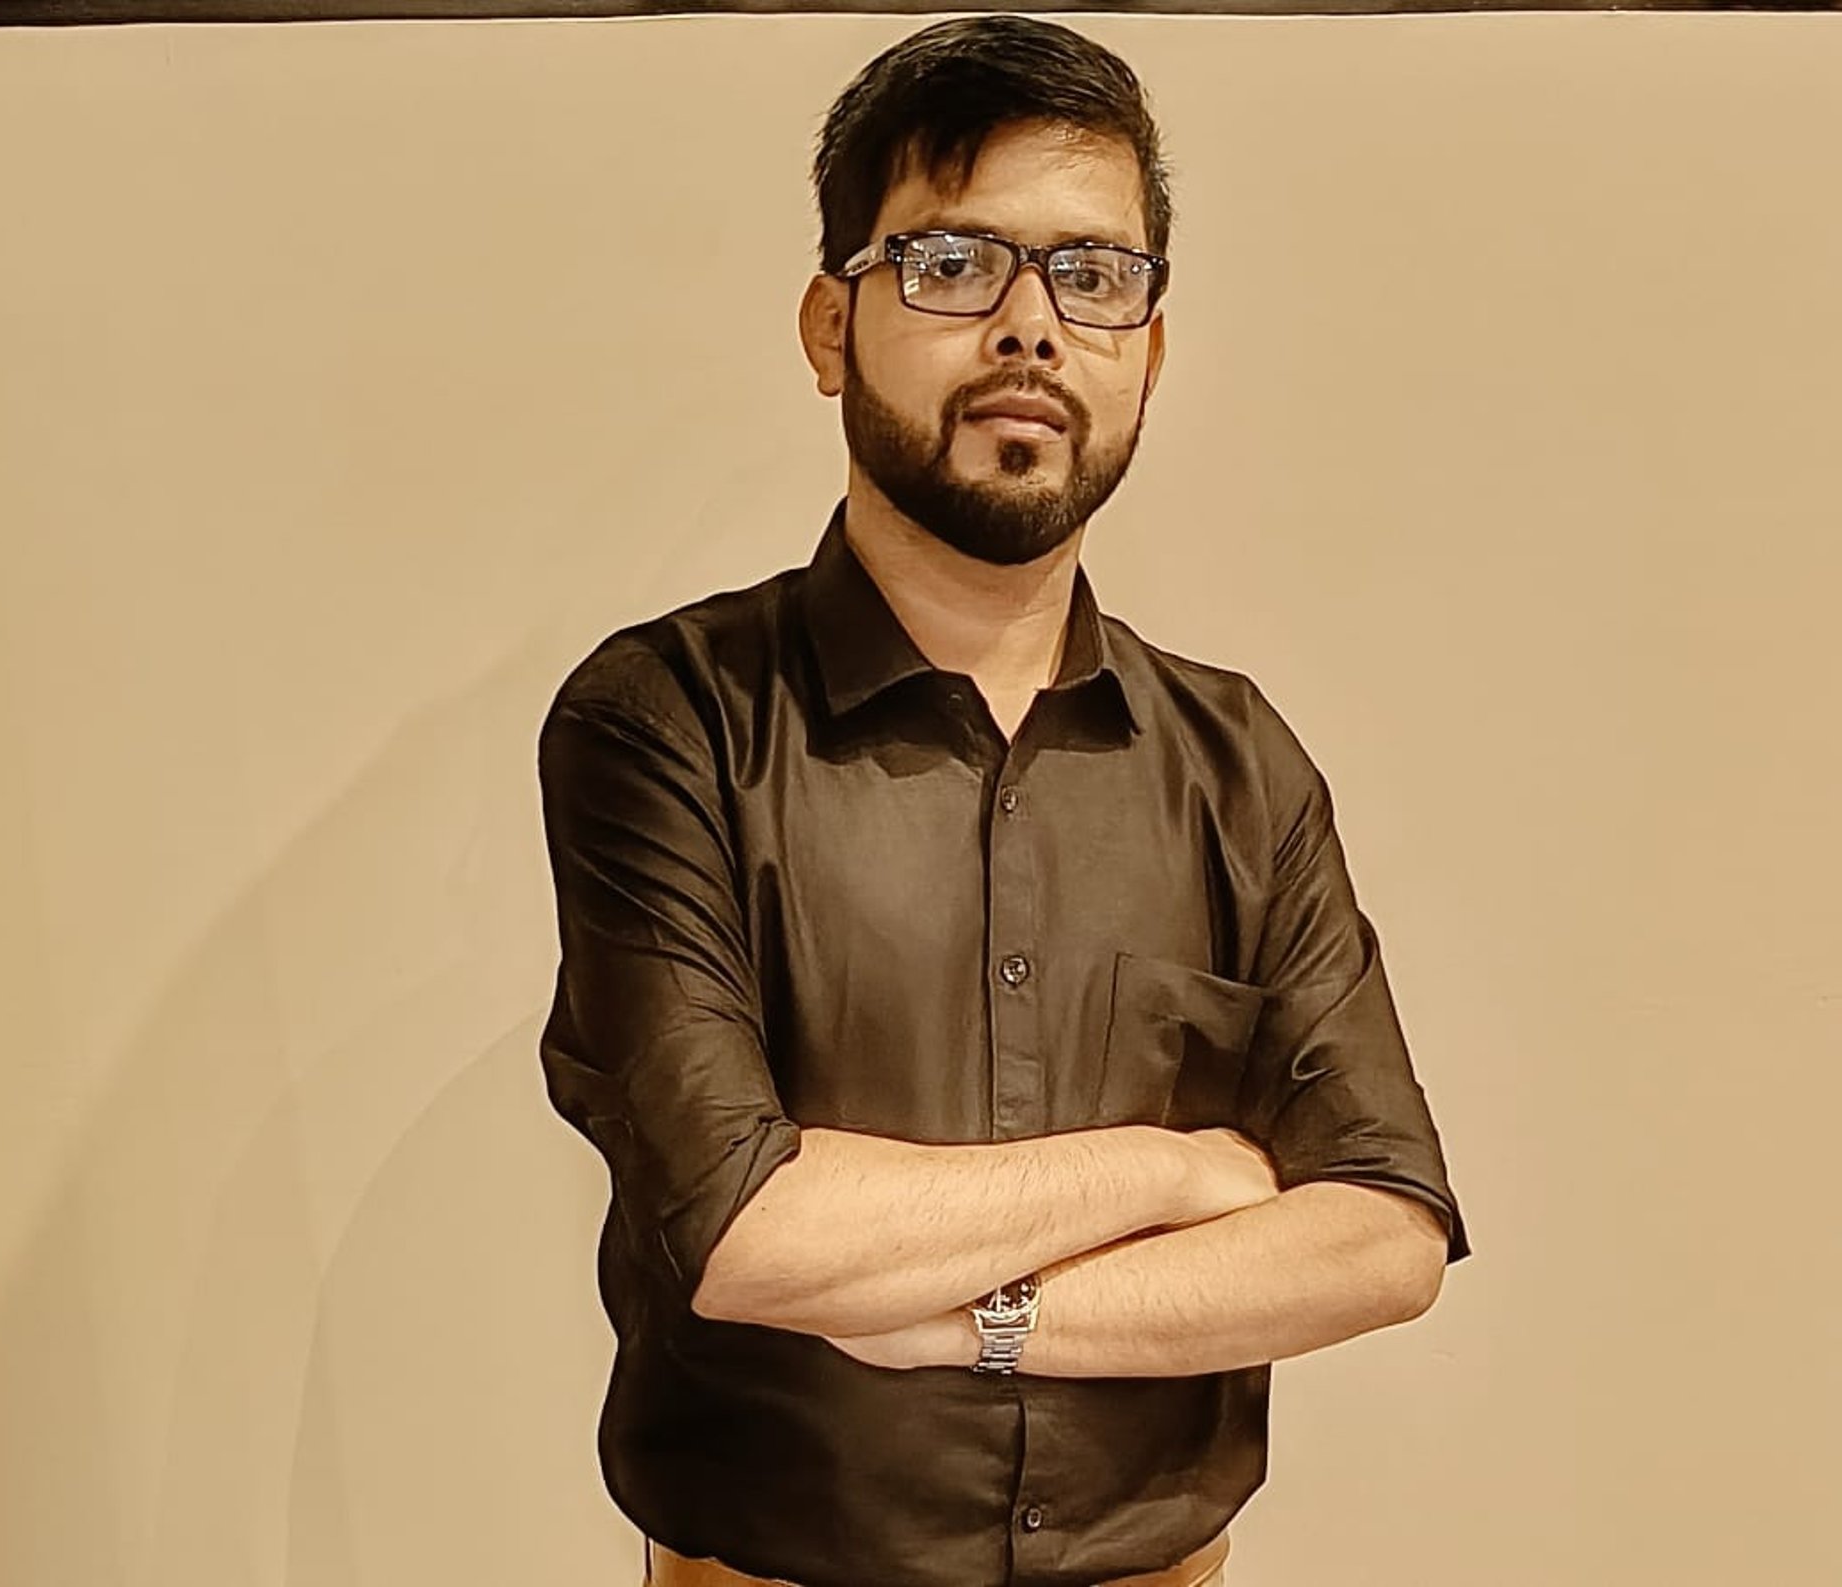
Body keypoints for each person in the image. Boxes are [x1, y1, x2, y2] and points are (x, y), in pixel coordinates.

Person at [536, 15, 1469, 1587]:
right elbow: (750, 1227)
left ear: (1147, 353)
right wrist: (1172, 1174)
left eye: (1093, 277)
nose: (1031, 327)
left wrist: (976, 1320)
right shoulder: (669, 720)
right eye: (955, 263)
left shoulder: (1236, 765)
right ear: (833, 327)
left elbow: (1383, 1231)